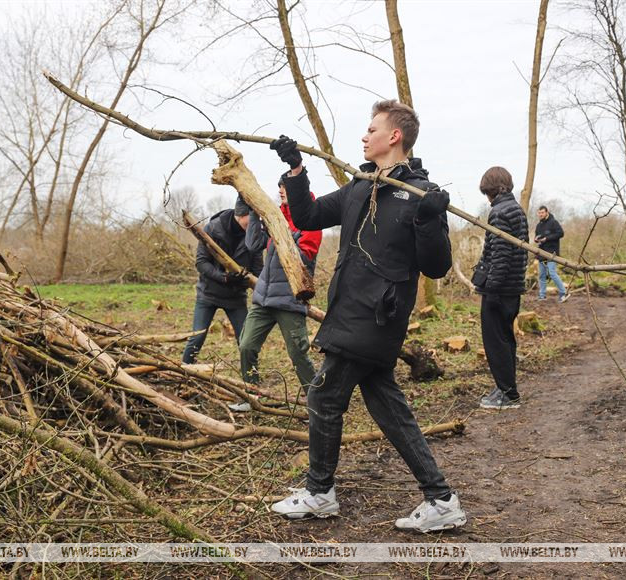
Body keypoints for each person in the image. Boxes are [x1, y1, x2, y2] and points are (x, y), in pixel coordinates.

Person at [267, 99, 466, 533]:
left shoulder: (421, 194)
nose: (364, 135)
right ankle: (440, 498)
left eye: (371, 129)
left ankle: (320, 492)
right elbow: (308, 216)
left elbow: (436, 267)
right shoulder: (362, 184)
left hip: (377, 317)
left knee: (323, 396)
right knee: (386, 404)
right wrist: (296, 171)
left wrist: (429, 221)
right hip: (348, 310)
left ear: (394, 136)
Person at [238, 179, 322, 394]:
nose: (280, 190)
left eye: (285, 186)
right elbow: (253, 245)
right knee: (246, 345)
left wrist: (281, 232)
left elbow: (305, 257)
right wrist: (254, 212)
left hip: (290, 300)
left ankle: (317, 402)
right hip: (263, 298)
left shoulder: (311, 220)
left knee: (298, 355)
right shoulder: (275, 214)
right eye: (279, 186)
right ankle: (251, 395)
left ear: (298, 190)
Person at [472, 167, 529, 410]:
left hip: (500, 289)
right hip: (513, 287)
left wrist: (492, 289)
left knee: (496, 343)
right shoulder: (516, 209)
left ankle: (507, 394)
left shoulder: (499, 212)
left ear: (490, 189)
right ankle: (505, 387)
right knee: (506, 339)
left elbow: (501, 255)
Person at [181, 197, 263, 364]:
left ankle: (251, 377)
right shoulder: (213, 228)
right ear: (241, 215)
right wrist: (224, 277)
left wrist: (247, 282)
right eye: (252, 217)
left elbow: (258, 271)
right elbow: (201, 263)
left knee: (246, 342)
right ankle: (184, 370)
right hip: (208, 294)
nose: (255, 222)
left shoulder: (254, 234)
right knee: (197, 337)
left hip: (236, 297)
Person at [534, 205, 569, 302]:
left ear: (547, 212)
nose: (540, 214)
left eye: (542, 212)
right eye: (539, 213)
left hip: (552, 253)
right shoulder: (539, 225)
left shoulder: (554, 222)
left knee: (552, 273)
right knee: (542, 275)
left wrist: (547, 238)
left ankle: (563, 293)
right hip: (541, 253)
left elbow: (561, 233)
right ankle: (542, 295)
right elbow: (537, 236)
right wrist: (536, 239)